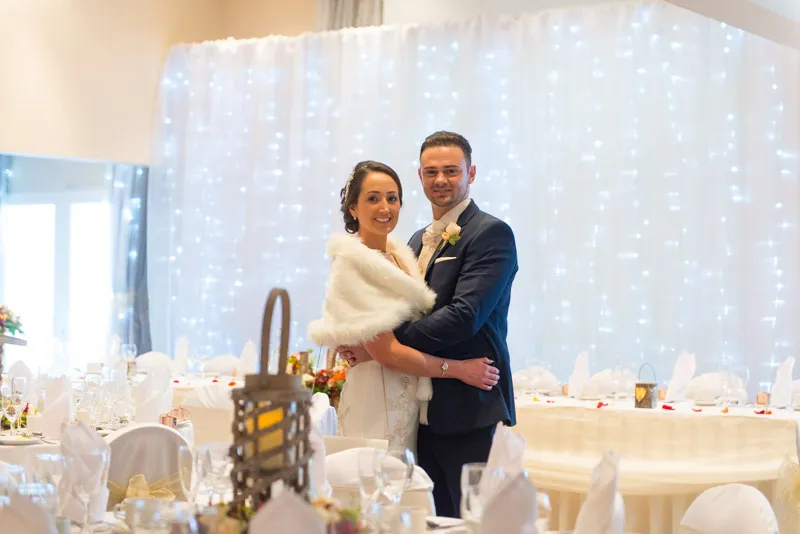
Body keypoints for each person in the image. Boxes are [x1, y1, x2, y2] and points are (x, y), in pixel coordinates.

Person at [340, 132, 518, 517]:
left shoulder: (490, 233)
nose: (441, 180)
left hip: (468, 406)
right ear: (420, 176)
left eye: (451, 171)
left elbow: (464, 317)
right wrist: (369, 341)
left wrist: (383, 342)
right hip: (417, 413)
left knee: (470, 518)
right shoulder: (416, 241)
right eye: (432, 172)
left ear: (471, 173)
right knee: (425, 517)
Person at [308, 160, 499, 453]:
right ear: (353, 208)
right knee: (375, 473)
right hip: (375, 395)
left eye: (392, 198)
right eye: (373, 199)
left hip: (406, 395)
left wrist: (367, 344)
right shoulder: (353, 262)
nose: (385, 208)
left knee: (402, 476)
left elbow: (398, 332)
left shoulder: (401, 255)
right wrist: (459, 369)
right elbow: (387, 351)